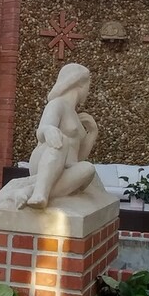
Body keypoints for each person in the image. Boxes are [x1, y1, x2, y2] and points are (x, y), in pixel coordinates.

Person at [19, 63, 98, 209]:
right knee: (61, 140)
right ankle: (40, 191)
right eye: (88, 86)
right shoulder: (57, 105)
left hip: (65, 169)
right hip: (46, 160)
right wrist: (49, 130)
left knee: (88, 168)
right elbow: (41, 131)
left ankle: (31, 190)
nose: (89, 91)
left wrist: (92, 132)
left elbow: (79, 158)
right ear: (79, 84)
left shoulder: (75, 115)